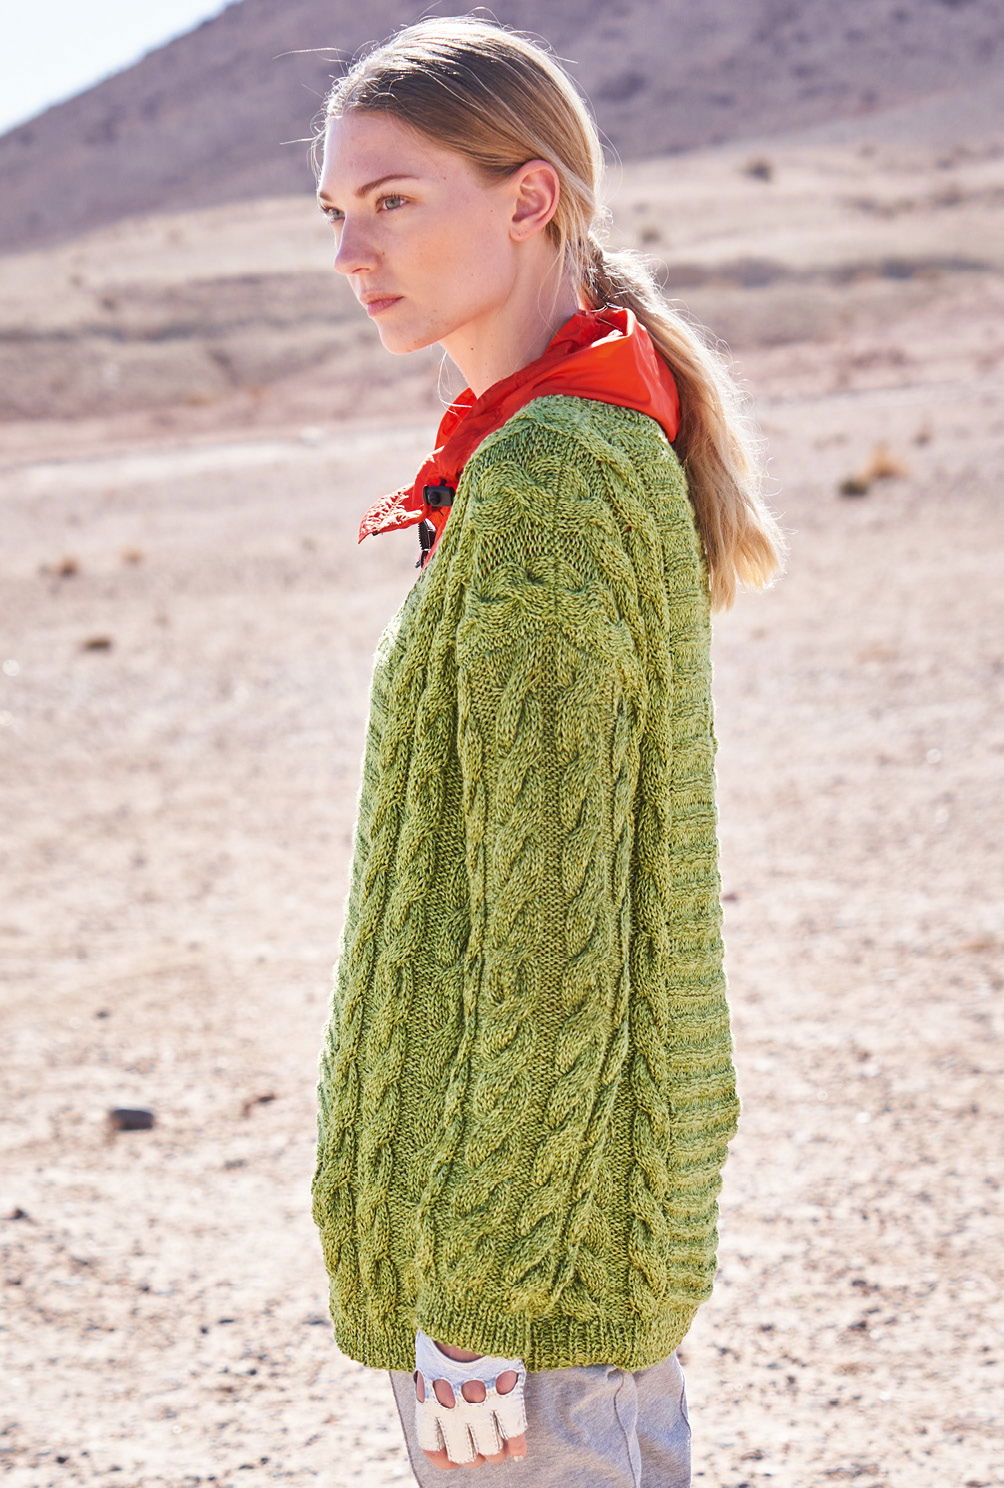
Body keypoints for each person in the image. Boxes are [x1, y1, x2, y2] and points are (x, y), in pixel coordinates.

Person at [308, 14, 787, 1485]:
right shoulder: (578, 436)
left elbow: (554, 932)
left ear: (530, 198)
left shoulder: (548, 482)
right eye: (337, 213)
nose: (353, 252)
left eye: (394, 201)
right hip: (571, 1247)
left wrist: (476, 1303)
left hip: (524, 1284)